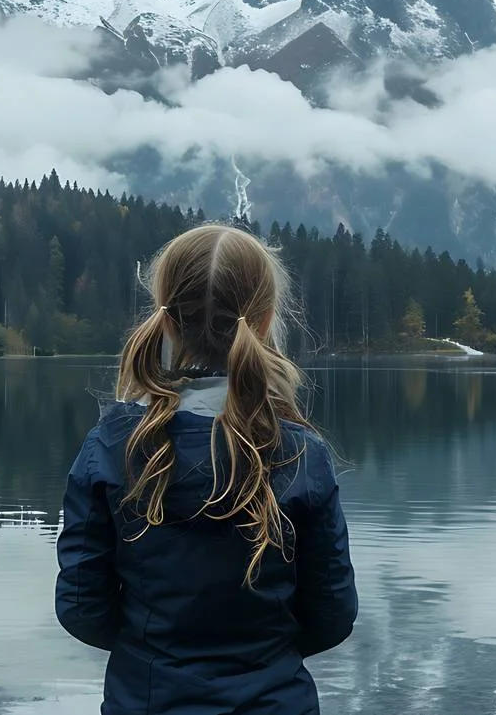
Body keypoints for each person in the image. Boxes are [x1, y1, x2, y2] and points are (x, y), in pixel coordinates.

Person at [55, 223, 360, 715]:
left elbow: (81, 608)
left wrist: (151, 648)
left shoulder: (112, 447)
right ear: (264, 321)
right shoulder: (301, 453)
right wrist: (264, 655)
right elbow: (333, 614)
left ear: (166, 321)